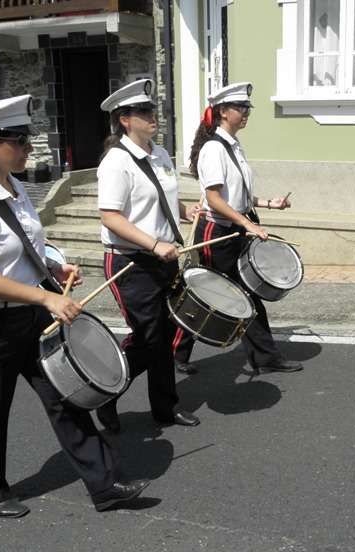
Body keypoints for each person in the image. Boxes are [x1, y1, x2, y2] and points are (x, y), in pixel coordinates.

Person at [0, 95, 149, 517]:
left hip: (27, 316)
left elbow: (25, 245)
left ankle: (104, 485)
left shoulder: (16, 189)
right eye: (21, 140)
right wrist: (48, 296)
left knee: (65, 397)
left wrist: (54, 265)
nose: (30, 148)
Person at [93, 79, 201, 434]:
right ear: (125, 120)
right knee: (148, 336)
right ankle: (107, 390)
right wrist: (153, 244)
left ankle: (165, 407)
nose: (152, 116)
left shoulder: (160, 153)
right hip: (131, 263)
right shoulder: (116, 162)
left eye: (152, 110)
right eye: (143, 112)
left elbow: (158, 198)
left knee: (166, 332)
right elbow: (111, 217)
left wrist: (183, 211)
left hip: (164, 259)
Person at [173, 82, 302, 376]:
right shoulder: (213, 150)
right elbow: (216, 200)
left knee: (248, 294)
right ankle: (175, 351)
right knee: (205, 293)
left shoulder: (232, 145)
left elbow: (237, 195)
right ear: (222, 112)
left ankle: (265, 356)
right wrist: (248, 224)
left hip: (237, 229)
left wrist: (270, 203)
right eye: (240, 108)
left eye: (247, 108)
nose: (246, 113)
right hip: (216, 234)